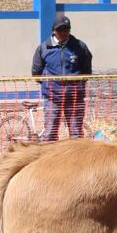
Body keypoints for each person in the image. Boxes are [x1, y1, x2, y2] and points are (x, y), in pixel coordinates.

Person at [30, 13, 93, 141]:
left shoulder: (80, 47)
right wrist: (49, 86)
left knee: (76, 135)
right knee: (50, 134)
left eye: (66, 29)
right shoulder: (44, 48)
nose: (63, 32)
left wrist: (76, 85)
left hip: (75, 97)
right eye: (60, 30)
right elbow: (36, 72)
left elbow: (86, 70)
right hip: (52, 97)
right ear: (54, 31)